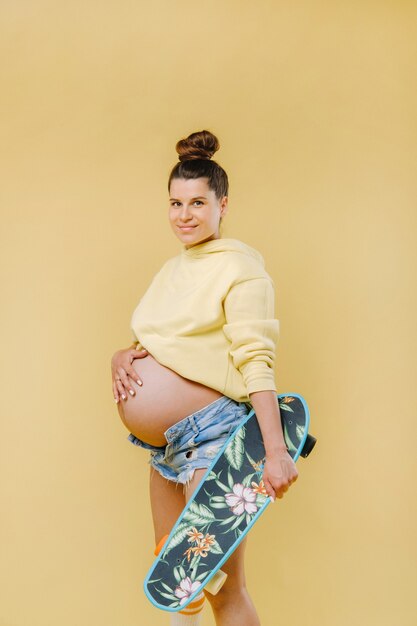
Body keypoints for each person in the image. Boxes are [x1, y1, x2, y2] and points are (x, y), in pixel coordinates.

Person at [110, 130, 298, 626]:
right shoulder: (173, 270)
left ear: (223, 205)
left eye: (197, 202)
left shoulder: (240, 268)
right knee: (177, 586)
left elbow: (255, 358)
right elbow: (167, 344)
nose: (185, 214)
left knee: (225, 591)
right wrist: (121, 357)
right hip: (166, 449)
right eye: (175, 202)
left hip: (212, 438)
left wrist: (276, 452)